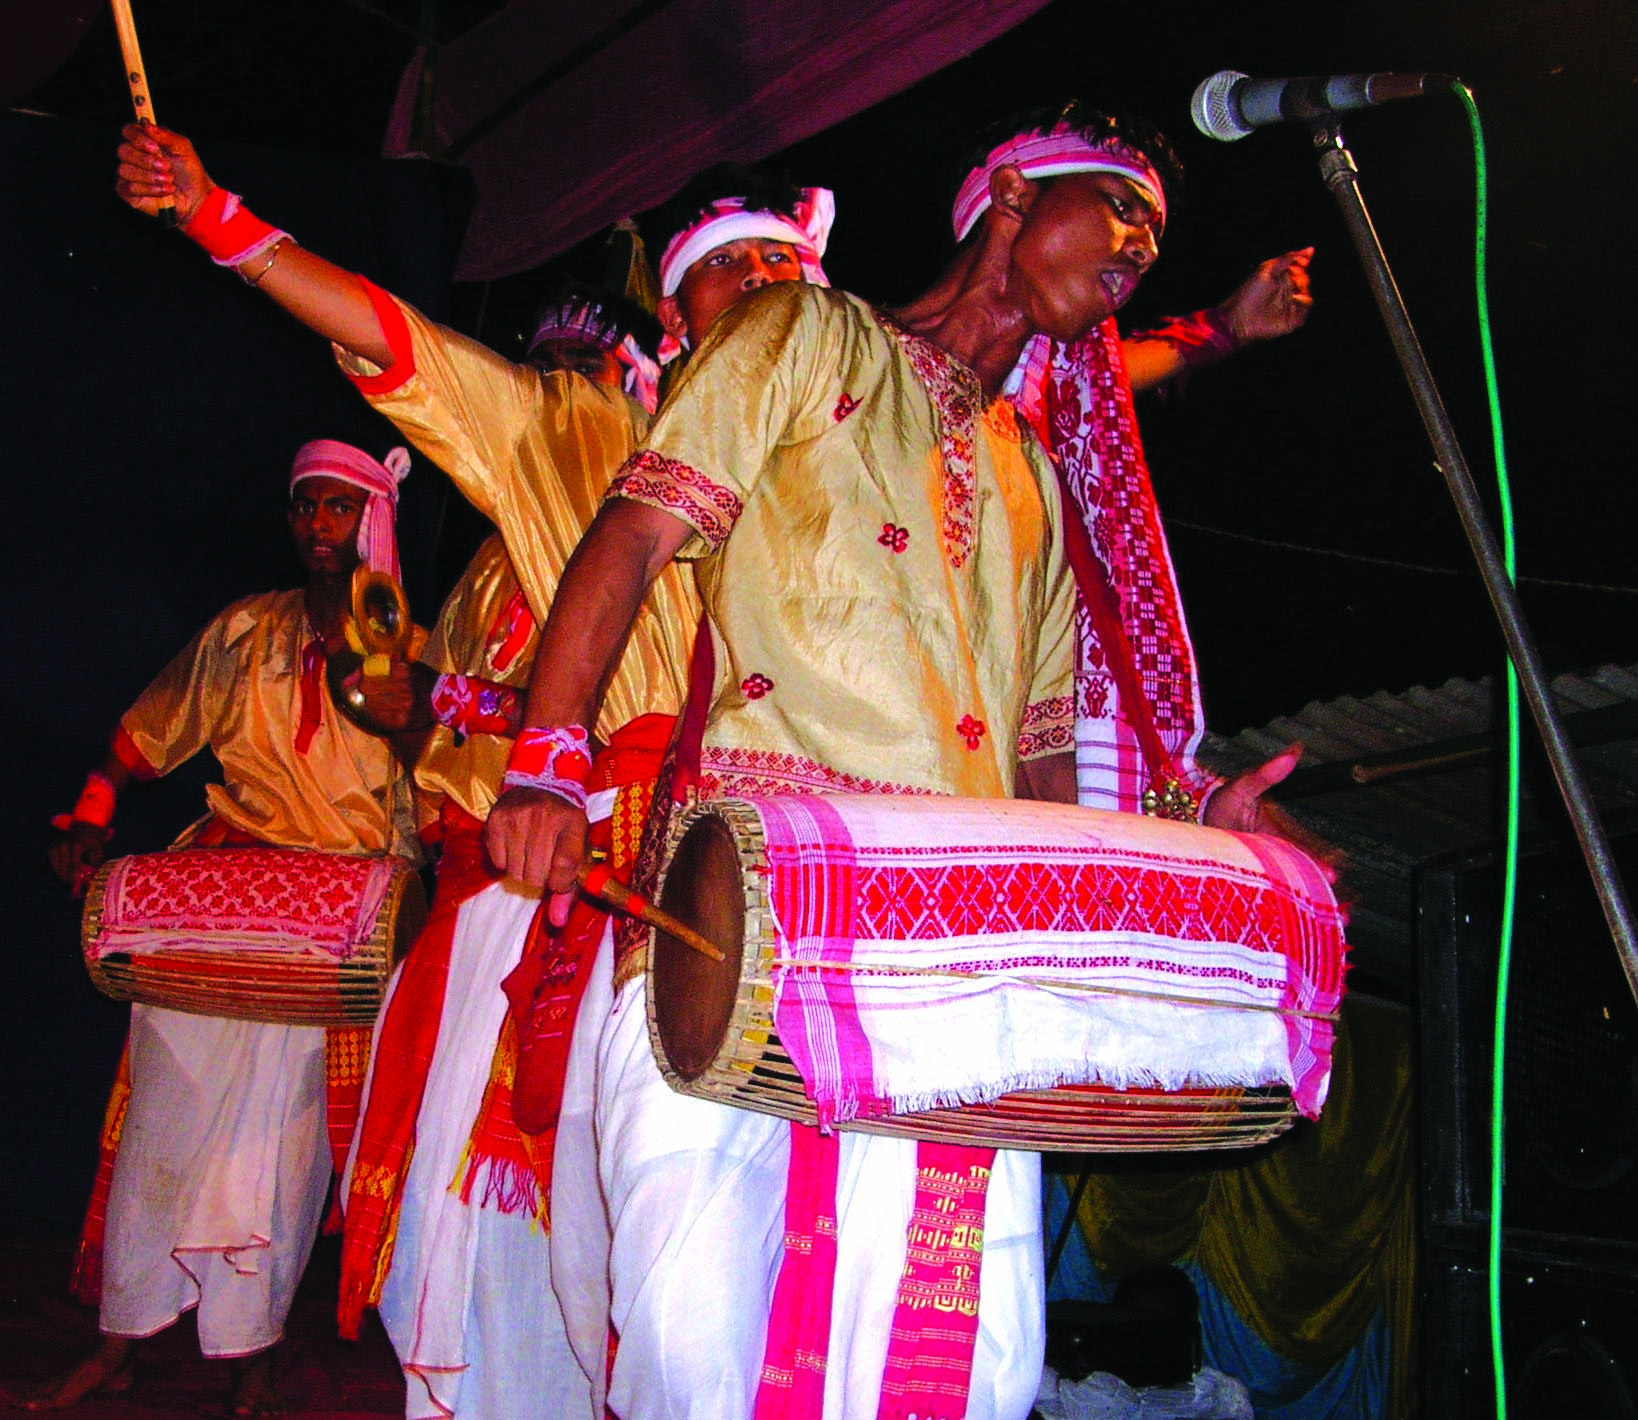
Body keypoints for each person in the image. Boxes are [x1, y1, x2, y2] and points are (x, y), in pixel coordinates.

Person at [483, 97, 1318, 1418]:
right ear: (1010, 199)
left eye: (1153, 237)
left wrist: (1189, 826)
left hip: (949, 977)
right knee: (693, 1350)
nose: (1138, 252)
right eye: (1119, 211)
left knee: (949, 1368)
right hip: (735, 926)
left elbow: (1047, 781)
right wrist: (541, 756)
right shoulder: (799, 335)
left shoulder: (1031, 475)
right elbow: (633, 539)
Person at [6, 441, 420, 1416]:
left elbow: (437, 777)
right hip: (214, 896)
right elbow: (142, 735)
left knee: (272, 1158)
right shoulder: (244, 631)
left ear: (372, 519)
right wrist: (89, 815)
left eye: (338, 509)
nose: (318, 526)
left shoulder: (404, 639)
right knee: (161, 1121)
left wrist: (411, 724)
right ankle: (117, 1345)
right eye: (304, 508)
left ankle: (253, 1361)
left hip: (332, 927)